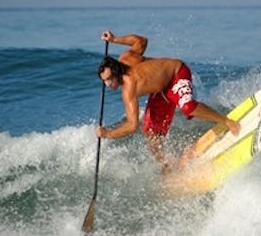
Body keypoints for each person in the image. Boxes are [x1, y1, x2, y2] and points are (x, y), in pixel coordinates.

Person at [95, 31, 240, 172]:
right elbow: (140, 41)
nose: (107, 84)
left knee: (188, 107)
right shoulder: (125, 58)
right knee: (150, 132)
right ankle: (166, 167)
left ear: (116, 71)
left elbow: (132, 125)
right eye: (104, 80)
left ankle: (226, 121)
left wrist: (108, 133)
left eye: (109, 79)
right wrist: (114, 39)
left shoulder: (128, 87)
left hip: (176, 73)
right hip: (160, 90)